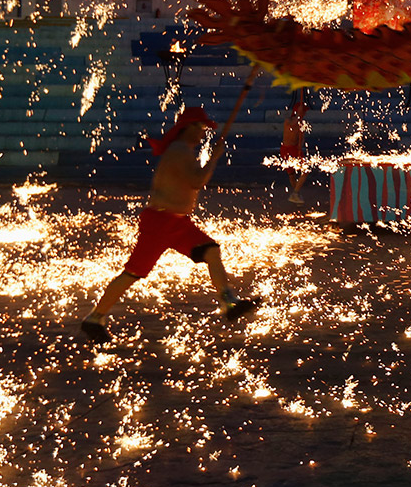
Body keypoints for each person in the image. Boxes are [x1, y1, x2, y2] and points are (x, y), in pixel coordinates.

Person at [81, 107, 258, 344]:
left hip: (178, 222)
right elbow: (196, 181)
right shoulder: (178, 151)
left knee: (211, 251)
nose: (203, 133)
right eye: (201, 128)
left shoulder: (183, 150)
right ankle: (95, 318)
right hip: (161, 222)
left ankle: (229, 303)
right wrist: (214, 158)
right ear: (188, 127)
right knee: (133, 273)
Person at [281, 95, 312, 204]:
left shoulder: (301, 124)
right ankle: (295, 193)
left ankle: (296, 193)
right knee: (294, 173)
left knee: (298, 172)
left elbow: (301, 139)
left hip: (293, 149)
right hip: (288, 149)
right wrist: (299, 117)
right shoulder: (289, 120)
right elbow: (291, 125)